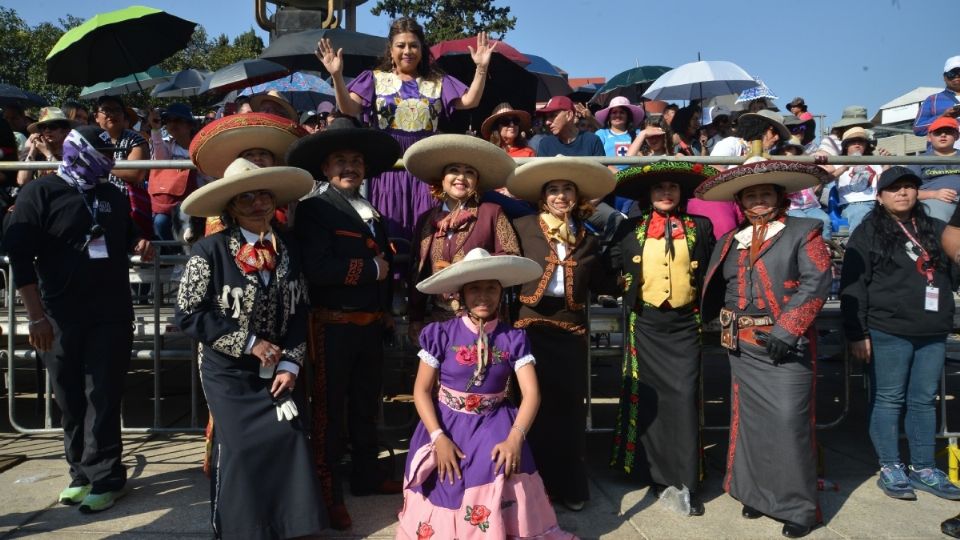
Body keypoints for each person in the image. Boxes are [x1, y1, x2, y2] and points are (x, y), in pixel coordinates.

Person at [3, 126, 154, 513]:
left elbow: (128, 236)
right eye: (100, 155)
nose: (107, 163)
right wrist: (35, 317)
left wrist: (142, 240)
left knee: (102, 394)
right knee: (69, 396)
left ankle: (107, 477)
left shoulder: (111, 194)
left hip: (111, 313)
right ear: (79, 154)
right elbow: (20, 259)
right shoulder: (40, 192)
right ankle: (80, 473)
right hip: (58, 314)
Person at [175, 158, 327, 538]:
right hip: (226, 371)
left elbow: (299, 308)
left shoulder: (288, 248)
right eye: (246, 198)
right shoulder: (207, 251)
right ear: (230, 207)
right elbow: (189, 315)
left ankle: (288, 526)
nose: (258, 203)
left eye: (263, 194)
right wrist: (249, 342)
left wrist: (291, 364)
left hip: (276, 369)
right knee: (240, 447)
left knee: (289, 436)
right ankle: (241, 529)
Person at [397, 247, 575, 539]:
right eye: (475, 288)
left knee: (496, 463)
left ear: (501, 292)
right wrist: (438, 437)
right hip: (447, 422)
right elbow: (421, 390)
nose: (483, 296)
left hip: (495, 420)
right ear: (461, 294)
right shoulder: (440, 335)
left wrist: (515, 438)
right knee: (450, 474)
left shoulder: (514, 338)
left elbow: (532, 394)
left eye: (491, 288)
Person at [696, 158, 833, 538]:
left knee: (790, 424)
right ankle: (754, 494)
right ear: (740, 201)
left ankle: (798, 508)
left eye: (764, 193)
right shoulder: (729, 240)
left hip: (784, 347)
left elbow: (817, 282)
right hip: (741, 347)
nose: (758, 200)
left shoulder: (805, 230)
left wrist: (787, 331)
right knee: (750, 425)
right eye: (751, 195)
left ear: (779, 197)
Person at [287, 116, 403, 530]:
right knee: (329, 414)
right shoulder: (315, 208)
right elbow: (317, 268)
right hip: (332, 327)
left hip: (370, 325)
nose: (349, 167)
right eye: (340, 160)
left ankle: (368, 477)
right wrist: (370, 270)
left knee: (366, 406)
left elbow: (387, 267)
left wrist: (385, 310)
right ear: (325, 168)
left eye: (355, 160)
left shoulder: (371, 210)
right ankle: (328, 492)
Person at [840, 166, 960, 504]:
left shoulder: (936, 229)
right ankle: (890, 465)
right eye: (894, 189)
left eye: (909, 187)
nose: (903, 193)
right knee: (889, 399)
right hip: (887, 329)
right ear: (880, 196)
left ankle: (923, 467)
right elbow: (853, 286)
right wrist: (857, 332)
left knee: (923, 400)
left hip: (932, 328)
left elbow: (954, 269)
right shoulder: (867, 232)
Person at [316, 17, 495, 243]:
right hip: (388, 165)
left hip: (424, 165)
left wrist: (481, 68)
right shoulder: (375, 79)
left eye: (413, 45)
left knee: (426, 229)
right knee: (389, 226)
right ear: (391, 50)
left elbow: (470, 101)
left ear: (422, 50)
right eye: (401, 45)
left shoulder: (437, 81)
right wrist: (336, 76)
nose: (407, 51)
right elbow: (348, 108)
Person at [605, 161, 718, 516]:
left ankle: (685, 479)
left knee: (684, 399)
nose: (666, 193)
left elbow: (715, 272)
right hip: (646, 325)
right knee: (646, 400)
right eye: (659, 188)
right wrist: (619, 285)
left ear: (681, 193)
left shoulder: (700, 226)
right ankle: (649, 472)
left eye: (672, 187)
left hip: (685, 326)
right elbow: (607, 266)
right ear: (647, 195)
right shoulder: (630, 228)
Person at [506, 157, 617, 511]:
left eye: (567, 189)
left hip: (571, 329)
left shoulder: (589, 237)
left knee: (569, 410)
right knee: (529, 407)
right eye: (553, 189)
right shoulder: (522, 226)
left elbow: (603, 280)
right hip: (528, 327)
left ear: (577, 195)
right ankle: (530, 488)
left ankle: (568, 486)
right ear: (543, 197)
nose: (560, 195)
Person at [404, 134, 519, 345]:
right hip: (439, 322)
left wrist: (470, 265)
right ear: (442, 178)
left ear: (477, 181)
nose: (461, 177)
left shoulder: (492, 212)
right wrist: (416, 317)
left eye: (469, 172)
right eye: (454, 170)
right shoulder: (426, 220)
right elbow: (417, 272)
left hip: (484, 319)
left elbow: (512, 256)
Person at [189, 112, 304, 238]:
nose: (257, 158)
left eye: (263, 153)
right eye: (249, 155)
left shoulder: (290, 200)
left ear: (274, 161)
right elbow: (219, 244)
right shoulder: (223, 202)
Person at [94, 95, 152, 242]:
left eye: (117, 110)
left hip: (126, 204)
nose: (112, 114)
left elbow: (135, 173)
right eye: (106, 110)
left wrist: (100, 160)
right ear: (96, 116)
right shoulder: (90, 139)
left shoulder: (135, 139)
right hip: (94, 202)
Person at [147, 103, 196, 243]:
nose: (173, 124)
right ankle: (174, 257)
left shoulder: (200, 145)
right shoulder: (167, 145)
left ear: (190, 125)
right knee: (160, 222)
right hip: (172, 201)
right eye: (169, 120)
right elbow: (160, 159)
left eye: (178, 120)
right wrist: (155, 129)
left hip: (197, 200)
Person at [832, 126, 888, 234]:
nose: (857, 145)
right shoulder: (837, 161)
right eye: (853, 142)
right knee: (862, 213)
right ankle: (857, 247)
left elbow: (885, 182)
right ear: (846, 146)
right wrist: (844, 167)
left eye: (861, 142)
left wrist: (886, 162)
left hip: (877, 203)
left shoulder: (873, 161)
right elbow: (825, 179)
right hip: (853, 204)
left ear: (866, 145)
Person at [783, 135, 831, 241]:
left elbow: (829, 169)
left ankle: (826, 244)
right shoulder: (780, 167)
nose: (786, 152)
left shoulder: (806, 164)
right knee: (802, 221)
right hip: (792, 206)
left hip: (810, 205)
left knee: (825, 219)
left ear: (796, 151)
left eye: (790, 149)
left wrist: (820, 181)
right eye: (783, 149)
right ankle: (804, 247)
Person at [913, 116, 960, 222]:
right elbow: (908, 191)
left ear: (957, 136)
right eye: (938, 132)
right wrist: (934, 194)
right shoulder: (918, 160)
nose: (943, 135)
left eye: (948, 131)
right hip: (934, 202)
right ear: (929, 137)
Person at [534, 96, 605, 158]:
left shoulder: (592, 141)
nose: (547, 122)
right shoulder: (545, 144)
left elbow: (604, 172)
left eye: (553, 115)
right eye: (546, 117)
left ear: (569, 115)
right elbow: (542, 173)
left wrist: (616, 173)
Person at [18, 107, 71, 185]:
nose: (47, 130)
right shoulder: (36, 153)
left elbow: (68, 179)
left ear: (65, 130)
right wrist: (33, 151)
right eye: (42, 127)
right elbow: (22, 181)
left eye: (52, 126)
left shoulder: (72, 152)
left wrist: (48, 153)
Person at [594, 96, 645, 171]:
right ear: (609, 116)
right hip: (608, 176)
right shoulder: (601, 134)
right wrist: (617, 174)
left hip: (633, 177)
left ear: (628, 116)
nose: (618, 115)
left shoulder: (638, 134)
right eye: (614, 112)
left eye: (622, 112)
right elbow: (597, 158)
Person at [914, 56, 960, 137]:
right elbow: (918, 129)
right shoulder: (932, 100)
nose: (957, 76)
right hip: (944, 149)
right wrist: (943, 116)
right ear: (944, 77)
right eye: (952, 73)